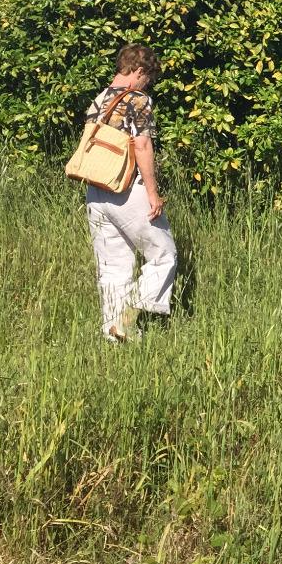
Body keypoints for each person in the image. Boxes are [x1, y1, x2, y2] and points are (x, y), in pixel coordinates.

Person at [83, 43, 177, 343]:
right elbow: (142, 145)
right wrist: (152, 192)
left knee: (113, 267)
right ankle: (129, 316)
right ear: (138, 70)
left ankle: (116, 334)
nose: (147, 84)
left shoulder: (99, 99)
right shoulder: (138, 99)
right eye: (147, 77)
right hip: (126, 188)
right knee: (164, 254)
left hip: (96, 190)